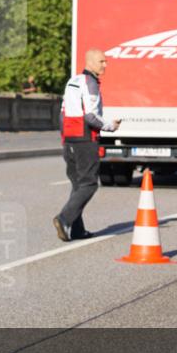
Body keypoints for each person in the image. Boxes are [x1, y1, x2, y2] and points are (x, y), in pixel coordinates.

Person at [53, 49, 120, 241]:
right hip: (85, 139)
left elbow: (62, 113)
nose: (105, 65)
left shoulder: (72, 81)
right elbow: (90, 116)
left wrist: (65, 139)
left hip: (70, 139)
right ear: (90, 62)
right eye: (102, 61)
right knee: (89, 184)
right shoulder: (91, 83)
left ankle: (77, 230)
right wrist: (110, 126)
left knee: (77, 185)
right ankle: (63, 219)